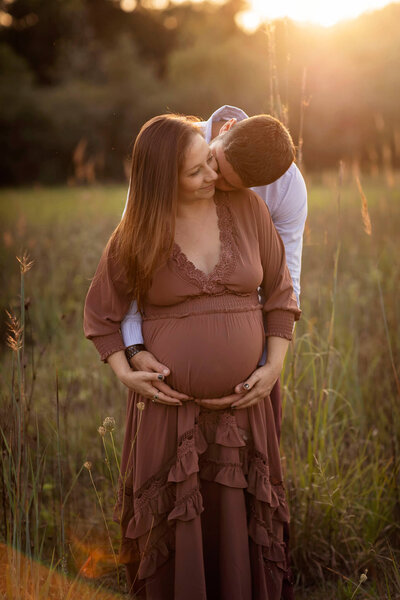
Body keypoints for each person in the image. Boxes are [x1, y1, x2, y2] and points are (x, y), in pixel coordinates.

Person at [84, 114, 301, 599]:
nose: (212, 179)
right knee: (176, 533)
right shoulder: (140, 230)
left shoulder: (247, 208)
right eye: (197, 172)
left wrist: (272, 367)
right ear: (165, 179)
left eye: (210, 163)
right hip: (170, 414)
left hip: (244, 412)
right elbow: (102, 313)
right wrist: (125, 370)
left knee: (244, 528)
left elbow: (283, 296)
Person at [120, 105, 307, 441]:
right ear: (225, 129)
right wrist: (133, 349)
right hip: (167, 379)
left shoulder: (287, 187)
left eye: (231, 187)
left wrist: (266, 368)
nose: (212, 181)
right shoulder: (170, 151)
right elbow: (133, 259)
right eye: (214, 166)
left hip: (249, 376)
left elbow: (285, 281)